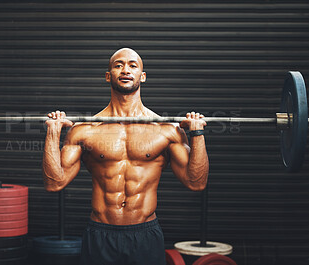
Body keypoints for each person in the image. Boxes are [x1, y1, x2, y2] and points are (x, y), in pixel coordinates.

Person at [42, 48, 209, 265]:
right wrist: (52, 134)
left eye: (132, 65)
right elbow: (54, 184)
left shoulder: (167, 130)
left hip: (145, 235)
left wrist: (197, 133)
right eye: (118, 65)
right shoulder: (85, 130)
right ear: (108, 75)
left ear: (143, 75)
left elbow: (196, 183)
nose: (125, 70)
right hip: (100, 233)